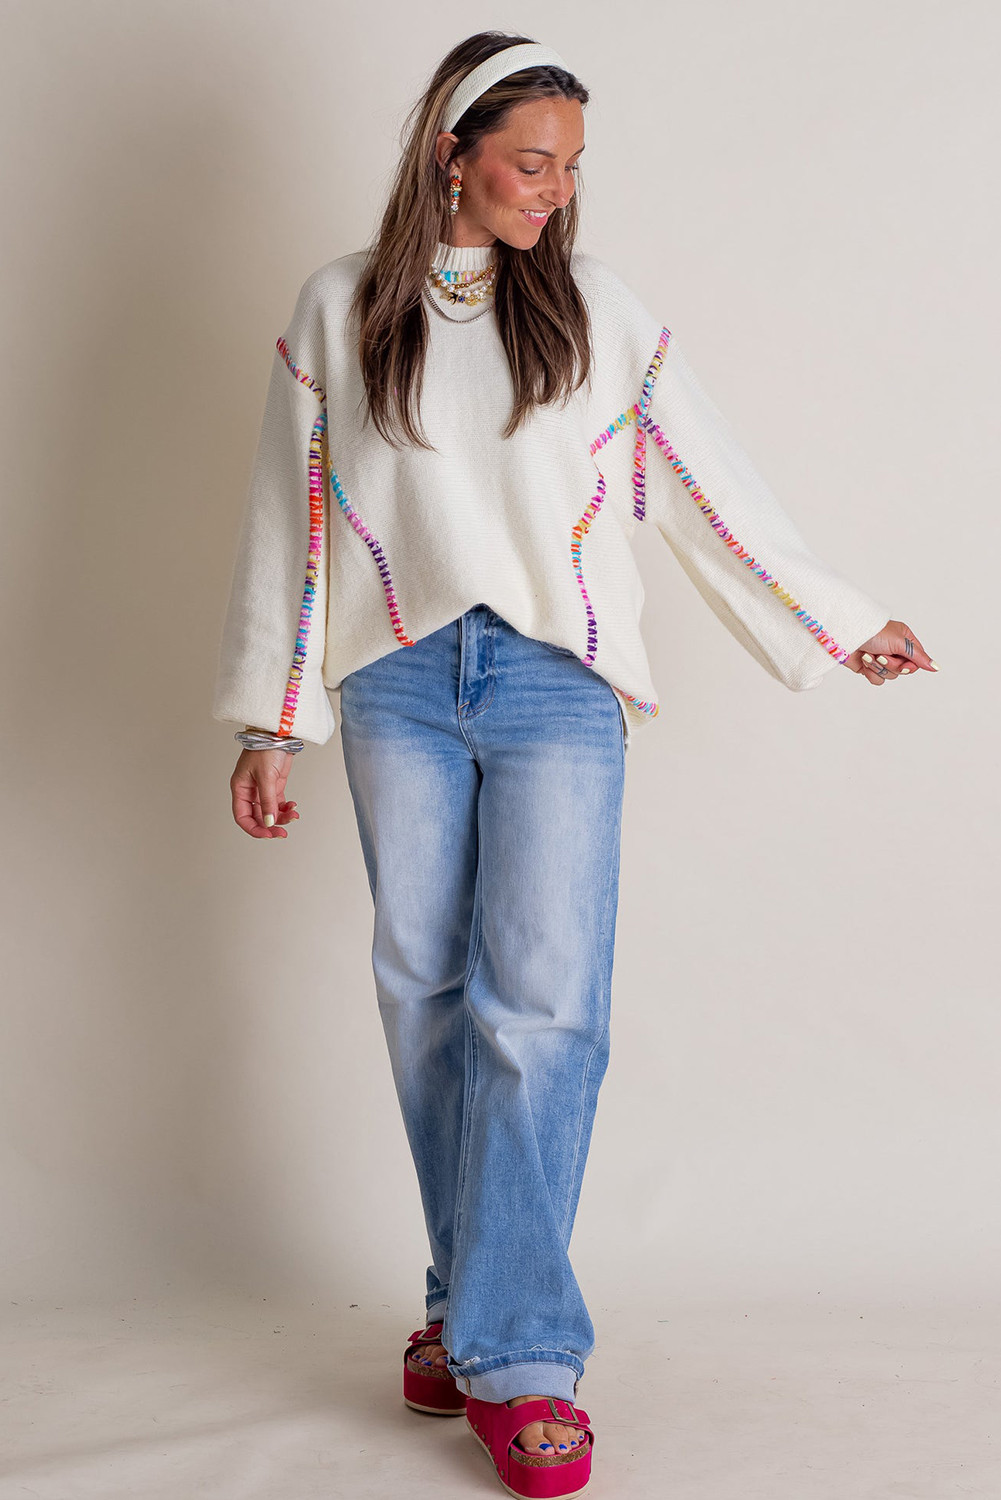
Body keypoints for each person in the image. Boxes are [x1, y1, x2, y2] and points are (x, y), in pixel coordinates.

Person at [211, 31, 937, 1498]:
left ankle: (521, 1357)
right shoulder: (342, 306)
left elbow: (704, 486)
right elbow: (295, 517)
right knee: (427, 1000)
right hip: (396, 679)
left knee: (540, 1014)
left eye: (569, 169)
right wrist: (274, 718)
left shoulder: (596, 310)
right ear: (452, 154)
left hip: (556, 683)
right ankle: (463, 1304)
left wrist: (833, 619)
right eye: (530, 164)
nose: (553, 191)